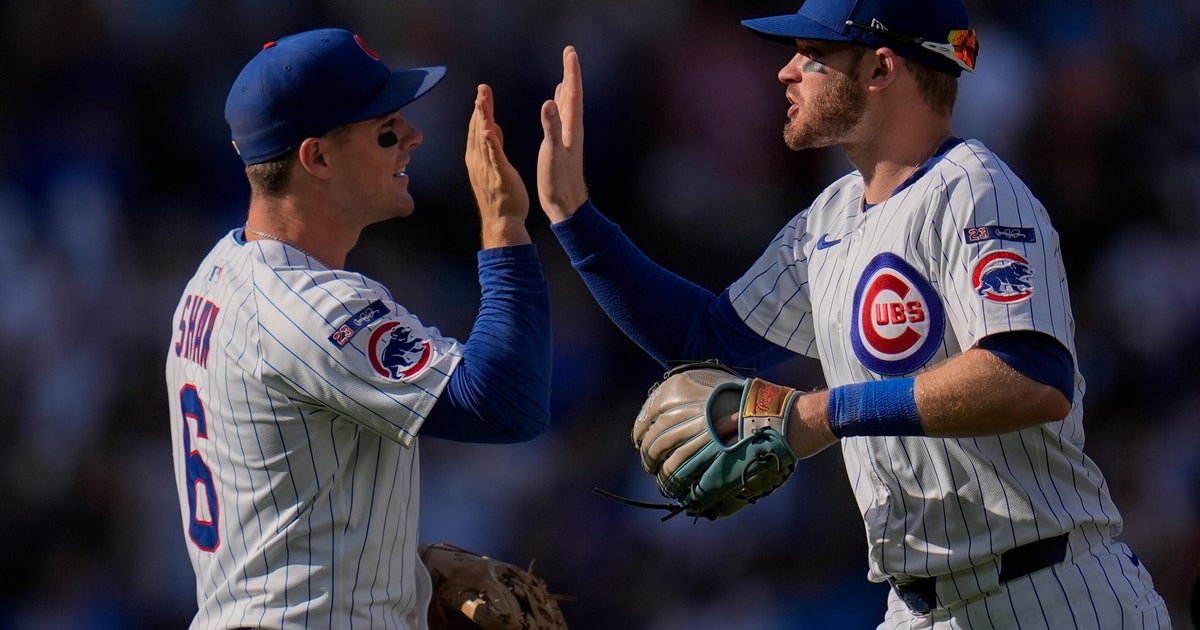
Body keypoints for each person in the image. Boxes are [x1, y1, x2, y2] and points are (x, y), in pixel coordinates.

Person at [534, 0, 1172, 625]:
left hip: (1049, 595)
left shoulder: (974, 189)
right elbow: (710, 344)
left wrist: (821, 413)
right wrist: (575, 218)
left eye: (812, 54)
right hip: (918, 605)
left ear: (880, 70)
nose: (786, 71)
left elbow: (1029, 377)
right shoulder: (829, 217)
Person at [165, 28, 552, 628]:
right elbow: (507, 402)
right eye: (387, 129)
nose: (414, 138)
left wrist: (401, 567)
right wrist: (503, 222)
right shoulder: (313, 304)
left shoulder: (216, 275)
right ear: (316, 157)